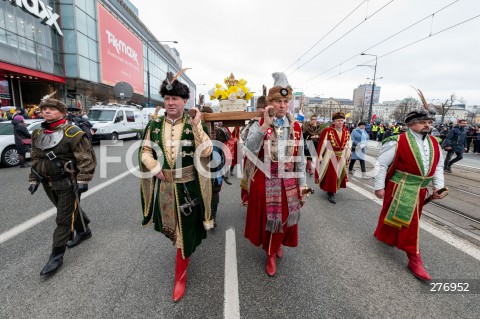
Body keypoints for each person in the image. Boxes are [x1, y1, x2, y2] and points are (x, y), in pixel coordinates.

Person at [139, 70, 213, 302]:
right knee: (174, 232)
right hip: (165, 188)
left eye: (175, 99)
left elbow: (208, 151)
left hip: (189, 188)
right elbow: (145, 150)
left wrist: (198, 125)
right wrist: (152, 165)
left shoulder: (194, 123)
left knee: (185, 234)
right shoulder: (155, 124)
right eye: (167, 99)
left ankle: (180, 277)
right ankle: (181, 264)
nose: (171, 103)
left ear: (184, 101)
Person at [243, 72, 308, 277]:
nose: (282, 105)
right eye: (278, 101)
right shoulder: (259, 123)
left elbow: (301, 157)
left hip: (288, 177)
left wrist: (302, 184)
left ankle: (277, 243)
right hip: (265, 175)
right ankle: (270, 253)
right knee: (270, 216)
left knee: (287, 215)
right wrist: (264, 124)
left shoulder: (296, 127)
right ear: (270, 102)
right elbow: (248, 149)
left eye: (285, 101)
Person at [374, 108, 445, 281]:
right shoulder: (396, 141)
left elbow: (438, 167)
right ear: (410, 124)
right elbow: (382, 165)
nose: (427, 125)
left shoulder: (435, 142)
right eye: (423, 122)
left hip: (420, 189)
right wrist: (379, 187)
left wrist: (439, 186)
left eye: (429, 122)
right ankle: (414, 258)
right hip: (401, 187)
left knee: (403, 218)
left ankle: (385, 235)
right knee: (411, 224)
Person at [28, 97, 96, 276]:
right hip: (47, 182)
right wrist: (33, 180)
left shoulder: (74, 133)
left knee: (63, 218)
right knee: (66, 209)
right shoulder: (37, 133)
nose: (47, 111)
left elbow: (86, 158)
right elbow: (35, 158)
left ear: (63, 112)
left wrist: (83, 179)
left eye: (52, 108)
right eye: (44, 109)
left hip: (68, 182)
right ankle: (84, 230)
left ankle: (56, 256)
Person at [314, 112, 352, 204]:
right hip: (331, 155)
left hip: (341, 155)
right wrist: (320, 155)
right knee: (332, 175)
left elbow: (348, 144)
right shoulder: (328, 131)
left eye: (342, 121)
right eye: (338, 121)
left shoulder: (346, 131)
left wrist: (348, 153)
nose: (340, 122)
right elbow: (323, 143)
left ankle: (334, 187)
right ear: (334, 121)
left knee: (339, 173)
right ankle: (331, 192)